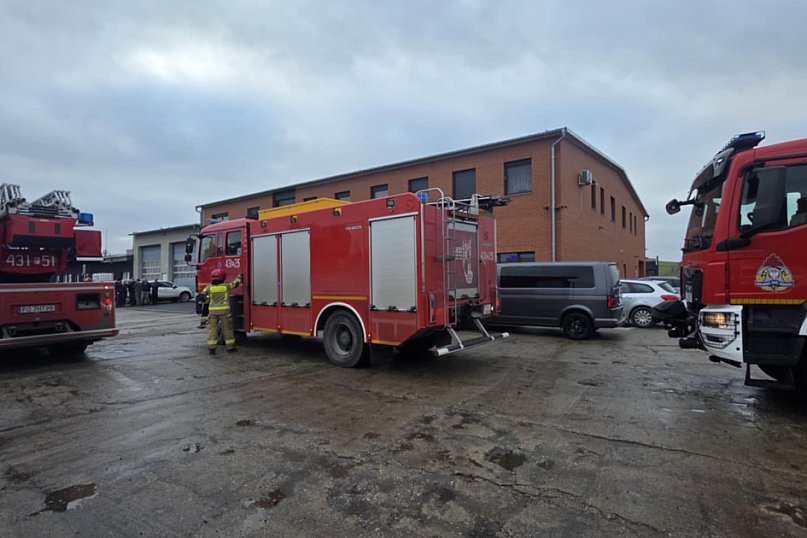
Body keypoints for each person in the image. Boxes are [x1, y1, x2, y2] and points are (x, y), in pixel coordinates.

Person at [201, 269, 242, 355]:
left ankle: (212, 349)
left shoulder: (209, 287)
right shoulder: (225, 286)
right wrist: (239, 277)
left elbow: (202, 296)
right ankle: (230, 347)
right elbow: (235, 284)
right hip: (224, 313)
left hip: (212, 313)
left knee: (213, 330)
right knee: (227, 329)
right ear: (223, 278)